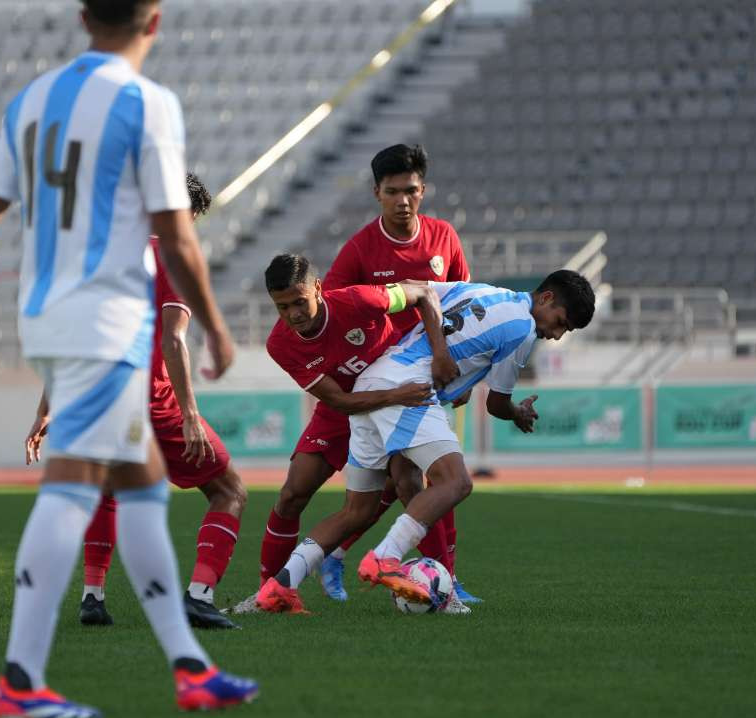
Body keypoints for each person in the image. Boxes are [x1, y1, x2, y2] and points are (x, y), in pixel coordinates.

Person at [0, 2, 257, 717]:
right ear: (154, 21)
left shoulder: (32, 101)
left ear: (84, 15)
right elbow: (177, 236)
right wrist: (216, 327)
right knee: (71, 491)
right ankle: (20, 684)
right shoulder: (146, 103)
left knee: (142, 489)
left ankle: (189, 666)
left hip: (54, 317)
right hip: (105, 324)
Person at [25, 174, 244, 631]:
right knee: (228, 491)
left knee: (106, 490)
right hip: (151, 397)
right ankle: (199, 596)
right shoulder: (178, 258)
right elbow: (172, 340)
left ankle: (93, 596)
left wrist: (47, 406)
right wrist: (189, 414)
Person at [349, 272, 596, 602]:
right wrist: (517, 413)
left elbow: (421, 291)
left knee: (381, 496)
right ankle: (384, 557)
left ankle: (285, 581)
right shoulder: (523, 329)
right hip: (409, 388)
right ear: (546, 298)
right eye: (560, 323)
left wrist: (444, 354)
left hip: (377, 375)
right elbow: (496, 404)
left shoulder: (482, 291)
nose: (555, 334)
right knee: (456, 483)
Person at [251, 254, 459, 614]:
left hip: (391, 393)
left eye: (299, 302)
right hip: (346, 406)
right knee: (291, 494)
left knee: (409, 484)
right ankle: (268, 593)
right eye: (282, 307)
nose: (293, 314)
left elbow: (424, 293)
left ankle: (448, 589)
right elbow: (339, 400)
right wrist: (397, 395)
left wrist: (440, 354)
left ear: (318, 288)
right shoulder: (280, 343)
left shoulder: (359, 299)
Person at [318, 143, 479, 604]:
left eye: (411, 190)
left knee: (412, 483)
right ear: (377, 193)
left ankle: (346, 555)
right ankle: (441, 580)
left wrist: (460, 371)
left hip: (431, 376)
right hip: (383, 382)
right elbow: (331, 305)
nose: (403, 200)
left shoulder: (444, 237)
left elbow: (460, 302)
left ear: (423, 190)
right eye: (393, 191)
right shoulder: (362, 248)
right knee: (429, 481)